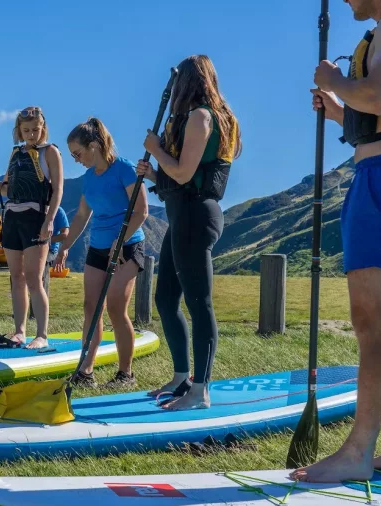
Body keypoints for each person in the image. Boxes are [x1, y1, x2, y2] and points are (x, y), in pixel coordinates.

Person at [290, 0, 381, 483]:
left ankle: (358, 452)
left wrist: (336, 81)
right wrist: (340, 111)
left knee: (374, 318)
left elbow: (379, 96)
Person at [136, 55, 241, 410]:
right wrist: (154, 174)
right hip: (182, 215)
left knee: (199, 303)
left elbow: (182, 173)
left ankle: (201, 390)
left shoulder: (201, 116)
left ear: (185, 83)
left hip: (196, 216)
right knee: (165, 298)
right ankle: (182, 378)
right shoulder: (198, 116)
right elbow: (179, 175)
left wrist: (156, 151)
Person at [56, 117, 148, 387]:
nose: (76, 159)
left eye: (78, 153)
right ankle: (85, 372)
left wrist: (118, 243)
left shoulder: (124, 169)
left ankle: (125, 374)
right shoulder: (87, 179)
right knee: (91, 308)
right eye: (72, 155)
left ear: (94, 145)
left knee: (116, 309)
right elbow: (82, 215)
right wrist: (64, 247)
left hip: (127, 246)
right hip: (98, 247)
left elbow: (141, 212)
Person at [0, 106, 64, 349]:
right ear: (19, 131)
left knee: (34, 278)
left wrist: (50, 219)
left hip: (36, 218)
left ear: (43, 129)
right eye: (26, 130)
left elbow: (58, 190)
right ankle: (20, 331)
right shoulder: (15, 154)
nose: (31, 134)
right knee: (16, 278)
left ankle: (41, 334)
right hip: (12, 219)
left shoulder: (50, 152)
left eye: (35, 129)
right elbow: (5, 189)